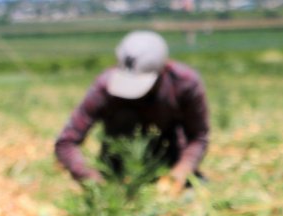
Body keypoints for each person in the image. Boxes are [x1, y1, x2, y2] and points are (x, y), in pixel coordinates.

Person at [54, 30, 209, 195]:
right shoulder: (105, 87)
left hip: (168, 165)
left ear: (163, 69)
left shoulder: (184, 84)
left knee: (195, 197)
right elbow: (66, 143)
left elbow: (198, 137)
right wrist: (94, 181)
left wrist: (179, 173)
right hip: (115, 173)